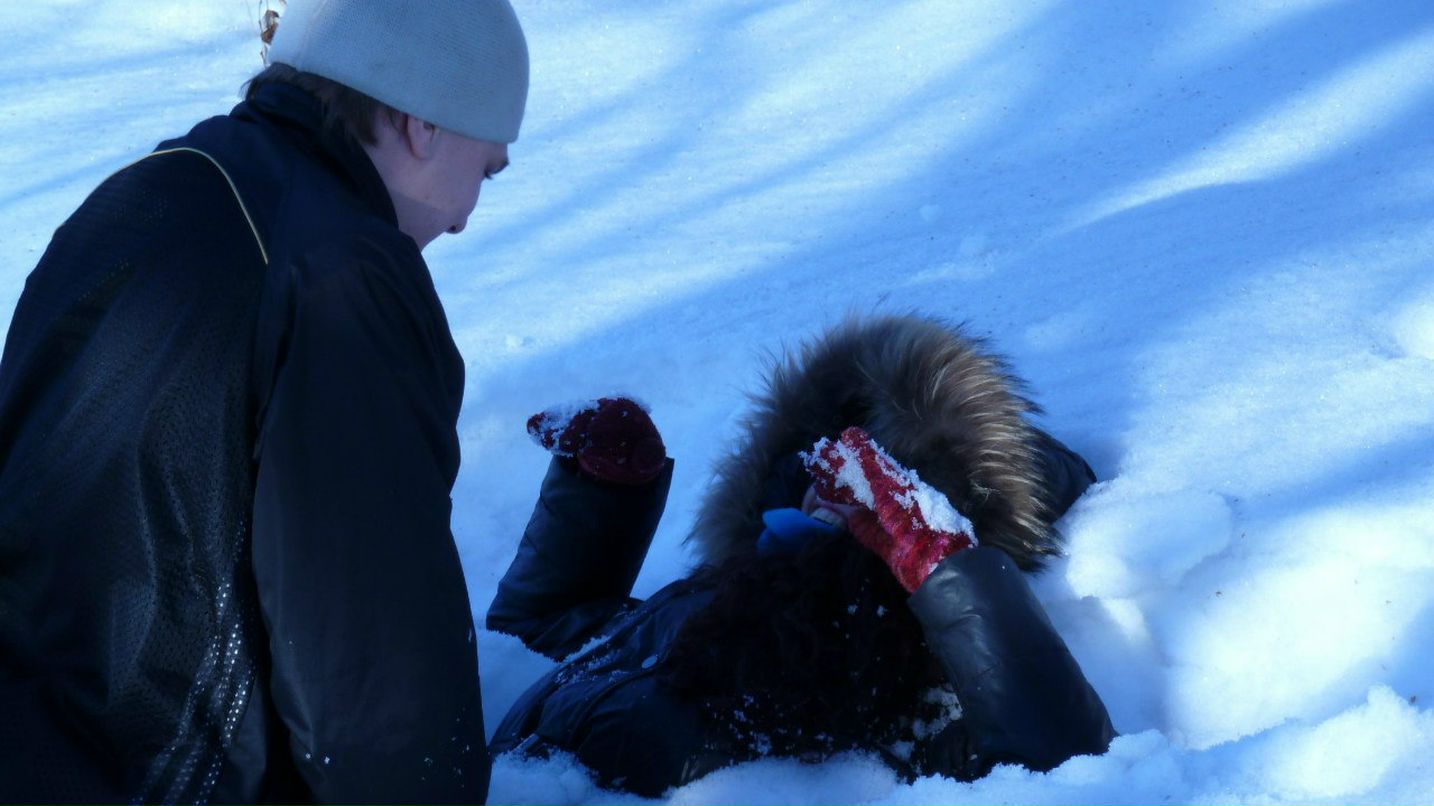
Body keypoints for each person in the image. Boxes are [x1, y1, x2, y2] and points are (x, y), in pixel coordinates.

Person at [0, 2, 527, 803]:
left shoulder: (147, 190)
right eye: (485, 171)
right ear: (424, 124)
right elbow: (371, 673)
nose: (463, 218)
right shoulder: (342, 278)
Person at [487, 315, 1116, 797]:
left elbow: (1061, 777)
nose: (837, 475)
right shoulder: (719, 597)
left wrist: (944, 570)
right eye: (836, 455)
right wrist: (604, 494)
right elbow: (533, 645)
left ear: (924, 509)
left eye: (881, 476)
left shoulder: (889, 680)